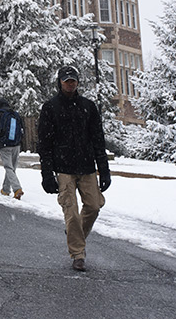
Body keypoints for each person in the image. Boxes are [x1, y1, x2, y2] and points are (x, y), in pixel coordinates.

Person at [37, 65, 111, 273]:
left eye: (73, 80)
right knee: (71, 212)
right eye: (66, 80)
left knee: (94, 206)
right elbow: (44, 144)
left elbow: (98, 139)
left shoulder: (88, 107)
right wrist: (47, 174)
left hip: (87, 166)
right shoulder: (50, 108)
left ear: (78, 82)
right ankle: (78, 254)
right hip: (64, 168)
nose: (70, 84)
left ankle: (74, 235)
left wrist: (104, 170)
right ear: (60, 82)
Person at [0, 98, 24, 199]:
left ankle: (17, 188)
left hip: (4, 145)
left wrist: (0, 136)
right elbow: (22, 129)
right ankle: (5, 190)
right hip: (16, 145)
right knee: (11, 168)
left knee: (8, 168)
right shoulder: (14, 114)